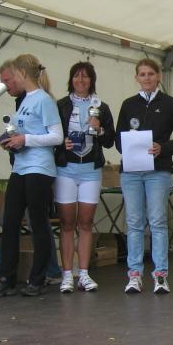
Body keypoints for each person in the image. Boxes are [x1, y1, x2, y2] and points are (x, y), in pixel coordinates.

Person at [0, 54, 63, 298]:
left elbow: (57, 136)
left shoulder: (44, 100)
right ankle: (6, 278)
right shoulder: (24, 101)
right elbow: (23, 132)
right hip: (20, 166)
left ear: (21, 73)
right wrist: (10, 140)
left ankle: (38, 278)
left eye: (11, 77)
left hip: (39, 167)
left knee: (38, 223)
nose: (8, 83)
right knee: (10, 221)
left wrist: (25, 139)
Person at [116, 58, 173, 294]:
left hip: (159, 172)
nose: (147, 78)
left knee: (157, 221)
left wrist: (163, 148)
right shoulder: (128, 104)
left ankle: (160, 275)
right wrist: (130, 148)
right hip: (131, 173)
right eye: (142, 74)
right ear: (136, 77)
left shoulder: (171, 104)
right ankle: (134, 275)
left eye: (150, 74)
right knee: (134, 223)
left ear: (158, 76)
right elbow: (118, 140)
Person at [54, 61, 116, 293]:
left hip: (91, 170)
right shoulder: (60, 105)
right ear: (71, 79)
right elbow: (51, 135)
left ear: (92, 80)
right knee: (67, 223)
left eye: (85, 76)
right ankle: (67, 274)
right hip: (65, 169)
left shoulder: (102, 107)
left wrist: (99, 129)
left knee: (86, 223)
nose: (80, 80)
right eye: (76, 76)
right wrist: (62, 143)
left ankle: (84, 274)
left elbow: (110, 141)